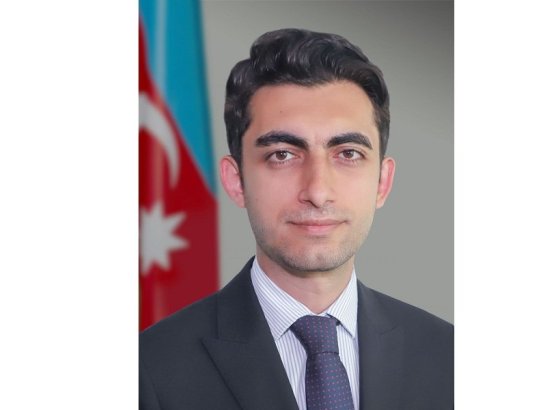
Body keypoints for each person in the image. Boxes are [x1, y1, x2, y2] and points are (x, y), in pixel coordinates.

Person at [140, 28, 453, 410]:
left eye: (348, 153)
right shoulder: (147, 370)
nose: (317, 191)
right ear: (236, 181)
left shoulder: (451, 359)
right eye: (282, 155)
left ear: (382, 182)